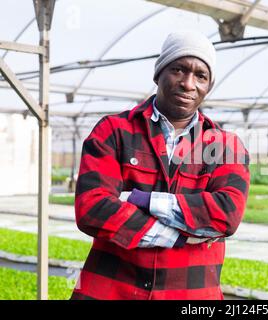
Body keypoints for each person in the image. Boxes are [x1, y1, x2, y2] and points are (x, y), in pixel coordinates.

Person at [70, 31, 250, 300]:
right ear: (158, 74)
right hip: (110, 290)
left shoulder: (226, 147)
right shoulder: (114, 131)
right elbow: (93, 208)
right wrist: (183, 237)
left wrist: (139, 199)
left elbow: (227, 214)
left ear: (208, 86)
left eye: (200, 76)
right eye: (178, 70)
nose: (188, 84)